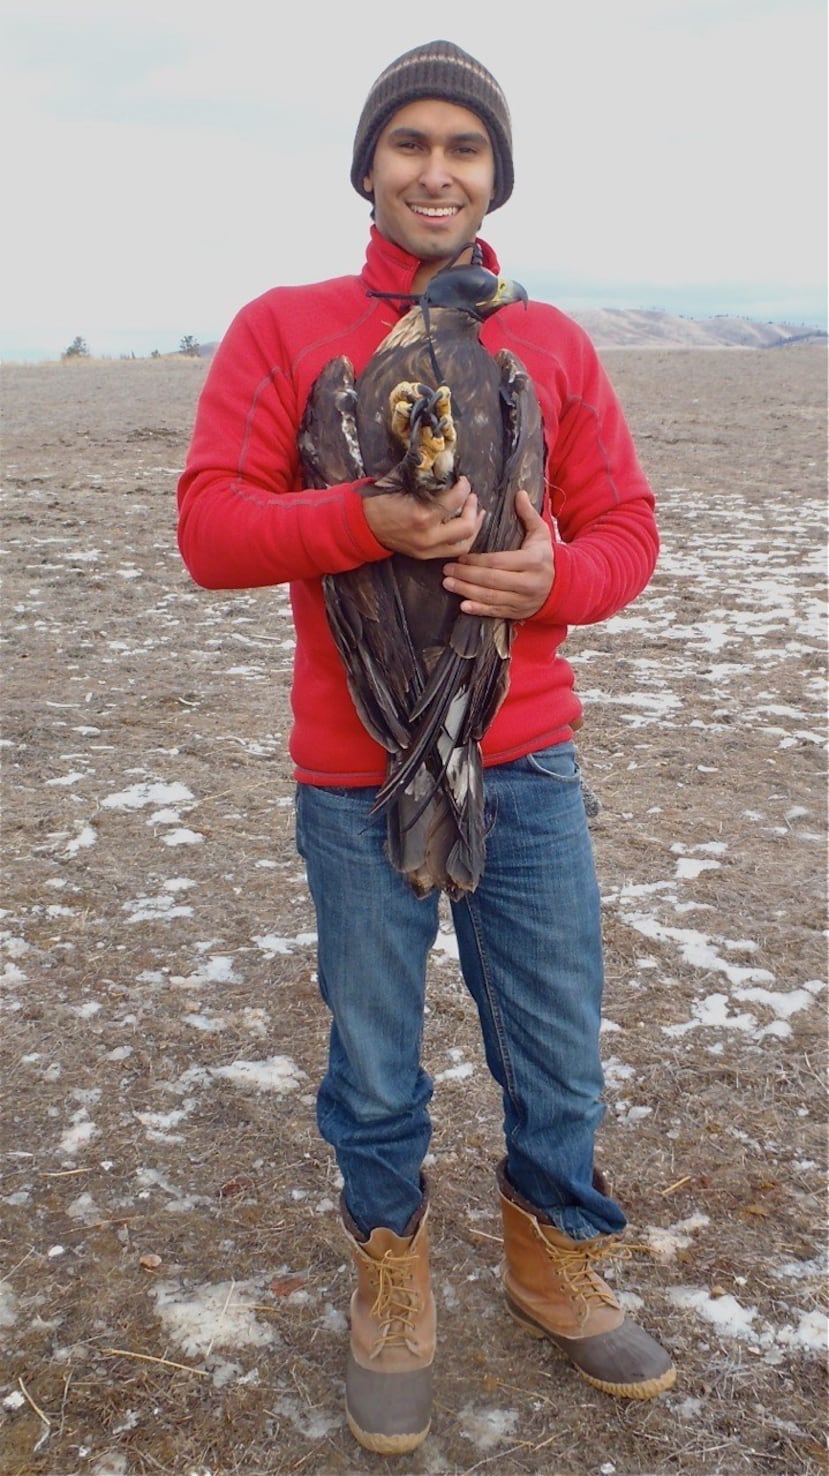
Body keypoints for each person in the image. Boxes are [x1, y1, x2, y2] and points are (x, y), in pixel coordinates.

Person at [177, 39, 676, 1456]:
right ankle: (389, 1263)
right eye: (411, 144)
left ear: (494, 175)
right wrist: (361, 522)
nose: (437, 170)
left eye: (465, 148)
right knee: (378, 1058)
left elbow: (623, 530)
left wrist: (554, 582)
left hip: (527, 760)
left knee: (557, 1049)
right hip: (356, 772)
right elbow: (209, 527)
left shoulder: (552, 342)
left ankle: (545, 1256)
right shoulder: (287, 329)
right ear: (369, 169)